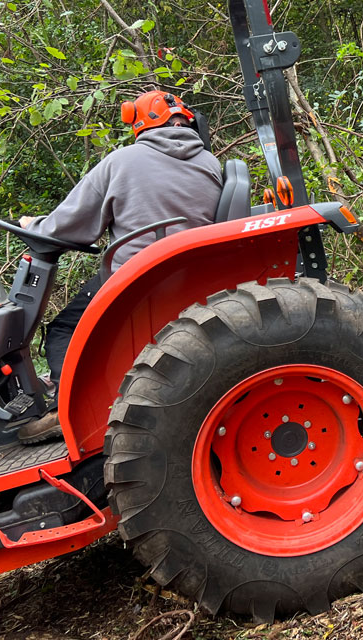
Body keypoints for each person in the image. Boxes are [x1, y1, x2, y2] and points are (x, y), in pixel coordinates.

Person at [16, 90, 223, 443]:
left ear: (139, 124)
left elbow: (66, 225)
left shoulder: (122, 161)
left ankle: (65, 411)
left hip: (137, 280)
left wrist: (33, 225)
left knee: (64, 329)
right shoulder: (210, 164)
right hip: (187, 276)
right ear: (188, 122)